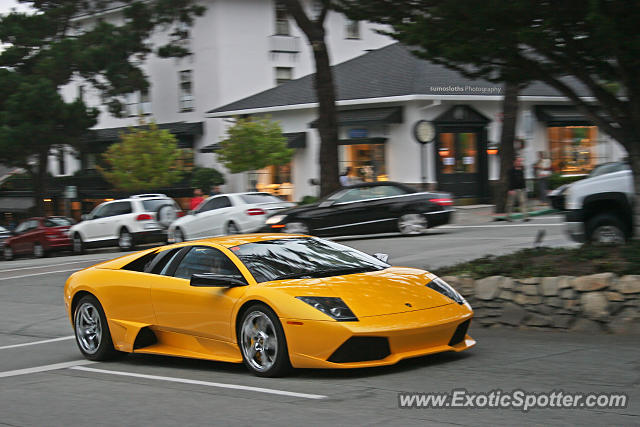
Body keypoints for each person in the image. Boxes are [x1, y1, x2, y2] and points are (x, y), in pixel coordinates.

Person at [506, 157, 529, 221]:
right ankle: (508, 217)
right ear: (514, 162)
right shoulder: (510, 170)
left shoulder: (522, 170)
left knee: (523, 202)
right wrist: (510, 189)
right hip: (513, 189)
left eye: (520, 161)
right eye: (518, 161)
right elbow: (509, 180)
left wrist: (525, 188)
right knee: (510, 204)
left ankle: (525, 217)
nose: (519, 163)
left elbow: (523, 180)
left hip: (521, 189)